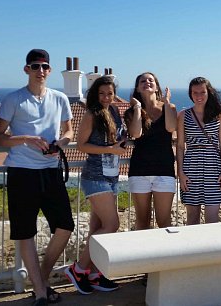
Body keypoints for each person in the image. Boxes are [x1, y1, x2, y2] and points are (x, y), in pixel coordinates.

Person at [0, 49, 74, 306]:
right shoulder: (13, 99)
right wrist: (25, 139)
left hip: (50, 170)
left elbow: (69, 131)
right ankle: (40, 292)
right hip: (22, 172)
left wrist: (60, 143)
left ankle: (42, 279)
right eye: (35, 66)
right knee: (25, 231)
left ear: (50, 70)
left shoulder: (60, 98)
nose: (41, 71)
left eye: (45, 66)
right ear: (26, 69)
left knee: (65, 226)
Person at [65, 76, 140, 294]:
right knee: (112, 224)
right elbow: (82, 145)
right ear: (95, 95)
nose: (106, 97)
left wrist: (135, 111)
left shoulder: (114, 111)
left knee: (97, 227)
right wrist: (110, 150)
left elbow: (128, 135)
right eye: (102, 93)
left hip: (111, 175)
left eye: (110, 93)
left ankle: (94, 274)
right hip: (95, 176)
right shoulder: (92, 114)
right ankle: (78, 269)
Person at [124, 72, 177, 229]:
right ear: (137, 88)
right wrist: (137, 108)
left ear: (157, 87)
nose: (147, 82)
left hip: (164, 171)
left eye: (150, 80)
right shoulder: (132, 112)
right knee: (142, 221)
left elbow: (171, 128)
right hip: (139, 171)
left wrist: (167, 103)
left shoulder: (169, 108)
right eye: (142, 81)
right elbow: (136, 133)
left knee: (164, 221)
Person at [176, 77, 221, 225]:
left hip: (214, 167)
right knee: (192, 217)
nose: (199, 96)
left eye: (202, 92)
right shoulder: (183, 115)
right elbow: (180, 146)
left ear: (208, 92)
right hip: (191, 168)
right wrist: (180, 172)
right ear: (190, 94)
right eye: (195, 92)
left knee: (212, 219)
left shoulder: (219, 114)